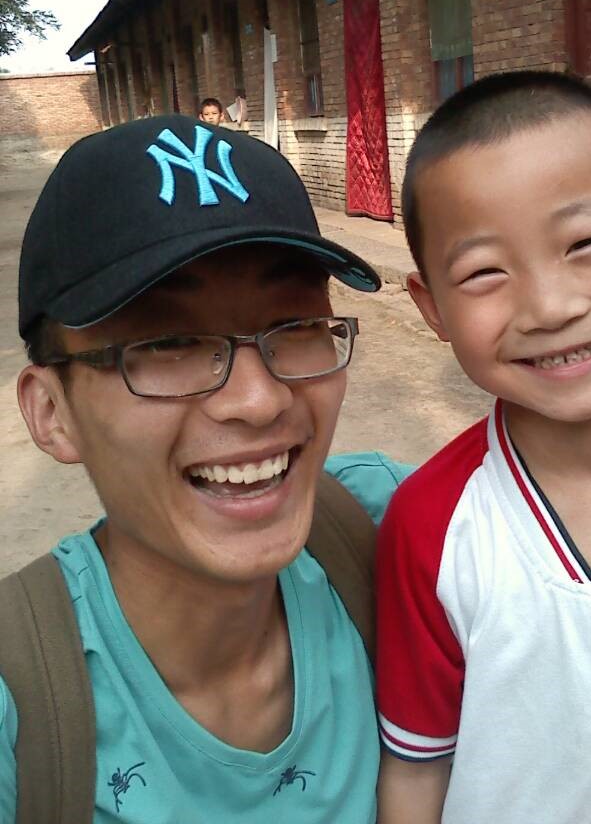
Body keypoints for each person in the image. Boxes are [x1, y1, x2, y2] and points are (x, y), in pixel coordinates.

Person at [0, 114, 412, 821]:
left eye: (296, 326)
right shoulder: (24, 703)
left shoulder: (398, 531)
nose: (258, 400)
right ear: (51, 411)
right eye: (168, 343)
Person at [375, 70, 591, 823]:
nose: (549, 307)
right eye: (484, 273)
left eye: (585, 244)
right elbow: (417, 771)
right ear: (432, 307)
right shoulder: (431, 526)